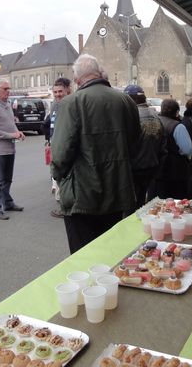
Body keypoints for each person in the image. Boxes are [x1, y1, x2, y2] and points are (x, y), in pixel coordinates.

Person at [51, 54, 141, 254]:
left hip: (82, 196)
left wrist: (59, 177)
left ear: (76, 80)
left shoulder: (71, 103)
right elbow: (135, 145)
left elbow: (59, 154)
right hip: (118, 190)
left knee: (84, 256)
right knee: (112, 253)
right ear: (99, 72)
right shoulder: (126, 101)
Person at [0, 78, 26, 220]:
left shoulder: (7, 105)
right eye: (5, 89)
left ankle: (7, 203)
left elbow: (10, 124)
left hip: (10, 148)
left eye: (9, 89)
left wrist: (18, 132)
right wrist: (11, 135)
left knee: (7, 179)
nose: (8, 92)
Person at [124, 84, 166, 209]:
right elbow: (163, 146)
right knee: (141, 201)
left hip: (135, 168)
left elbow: (126, 144)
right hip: (151, 167)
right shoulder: (155, 116)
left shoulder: (132, 117)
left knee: (131, 205)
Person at [151, 99, 192, 200]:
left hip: (155, 170)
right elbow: (187, 150)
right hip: (175, 172)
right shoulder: (178, 126)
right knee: (176, 204)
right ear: (177, 112)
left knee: (156, 205)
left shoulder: (154, 122)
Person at [44, 77, 72, 218]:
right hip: (55, 144)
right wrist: (49, 141)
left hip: (66, 146)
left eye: (60, 91)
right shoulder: (54, 104)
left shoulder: (71, 103)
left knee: (65, 177)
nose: (57, 95)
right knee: (57, 176)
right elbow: (52, 125)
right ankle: (62, 204)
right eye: (55, 92)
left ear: (67, 91)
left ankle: (66, 207)